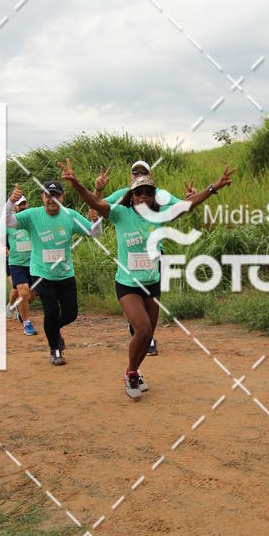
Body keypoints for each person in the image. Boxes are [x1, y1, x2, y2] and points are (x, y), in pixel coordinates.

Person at [59, 158, 235, 400]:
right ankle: (131, 373)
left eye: (148, 192)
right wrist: (78, 185)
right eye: (138, 192)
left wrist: (214, 187)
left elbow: (187, 205)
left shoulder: (160, 214)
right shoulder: (120, 213)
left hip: (151, 282)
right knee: (141, 329)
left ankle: (135, 371)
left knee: (148, 334)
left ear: (154, 196)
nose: (143, 196)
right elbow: (95, 203)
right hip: (128, 285)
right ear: (131, 195)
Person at [92, 159, 206, 357]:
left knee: (150, 298)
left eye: (143, 172)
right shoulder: (123, 194)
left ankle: (145, 333)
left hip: (155, 254)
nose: (139, 177)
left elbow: (182, 207)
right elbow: (94, 210)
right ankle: (140, 329)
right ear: (131, 176)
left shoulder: (159, 194)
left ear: (150, 175)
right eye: (135, 173)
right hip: (132, 251)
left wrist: (190, 198)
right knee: (136, 302)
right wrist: (98, 191)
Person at [4, 180, 102, 365]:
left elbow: (94, 233)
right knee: (51, 311)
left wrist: (96, 221)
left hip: (65, 273)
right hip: (42, 273)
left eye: (56, 195)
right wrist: (10, 202)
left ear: (62, 197)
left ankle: (53, 329)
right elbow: (8, 221)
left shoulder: (70, 216)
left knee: (71, 313)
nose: (52, 199)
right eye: (48, 195)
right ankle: (55, 350)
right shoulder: (32, 215)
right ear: (42, 197)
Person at [5, 194, 38, 335]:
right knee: (22, 291)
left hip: (33, 263)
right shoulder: (8, 224)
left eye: (25, 203)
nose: (23, 206)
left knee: (31, 297)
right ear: (15, 208)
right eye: (20, 204)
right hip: (16, 263)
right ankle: (26, 323)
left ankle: (20, 309)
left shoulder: (31, 221)